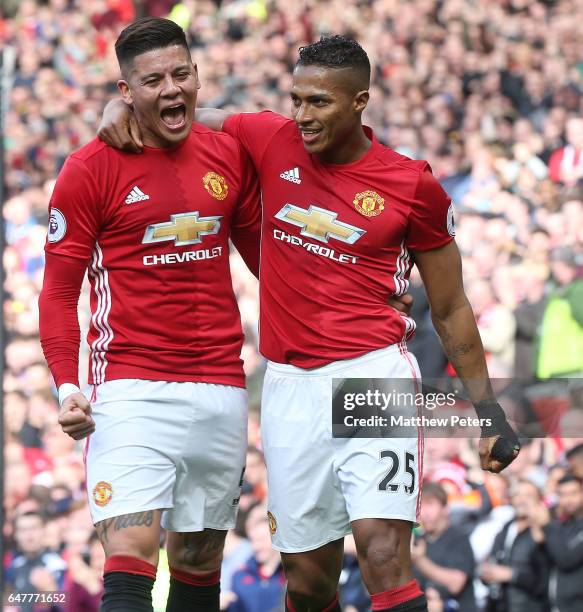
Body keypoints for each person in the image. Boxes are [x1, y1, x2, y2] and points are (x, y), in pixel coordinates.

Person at [100, 34, 520, 612]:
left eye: (319, 102)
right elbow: (184, 112)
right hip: (290, 385)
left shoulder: (411, 184)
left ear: (359, 102)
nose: (302, 115)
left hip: (372, 374)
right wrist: (117, 105)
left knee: (381, 552)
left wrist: (488, 414)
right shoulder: (271, 138)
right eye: (296, 99)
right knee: (308, 579)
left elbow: (450, 309)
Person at [39, 17, 262, 612]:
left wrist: (359, 291)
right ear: (125, 91)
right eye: (153, 79)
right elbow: (58, 294)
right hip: (130, 390)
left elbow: (269, 261)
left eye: (181, 74)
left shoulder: (227, 155)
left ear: (197, 76)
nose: (171, 88)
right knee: (132, 552)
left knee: (197, 563)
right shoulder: (88, 169)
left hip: (221, 387)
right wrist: (68, 386)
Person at [480, 479, 549, 612]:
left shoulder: (544, 531)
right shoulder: (505, 528)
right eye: (517, 495)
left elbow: (544, 582)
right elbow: (494, 563)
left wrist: (512, 576)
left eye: (528, 496)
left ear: (539, 500)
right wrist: (487, 574)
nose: (521, 500)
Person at [412, 482, 477, 612]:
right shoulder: (418, 541)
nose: (424, 512)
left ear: (445, 508)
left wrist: (419, 560)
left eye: (429, 504)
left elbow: (455, 583)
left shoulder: (459, 539)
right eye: (420, 506)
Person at [530, 473, 583, 612]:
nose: (568, 499)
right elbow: (542, 563)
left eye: (574, 493)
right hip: (554, 605)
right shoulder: (560, 526)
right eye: (563, 495)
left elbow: (566, 559)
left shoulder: (552, 527)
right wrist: (538, 536)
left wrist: (547, 526)